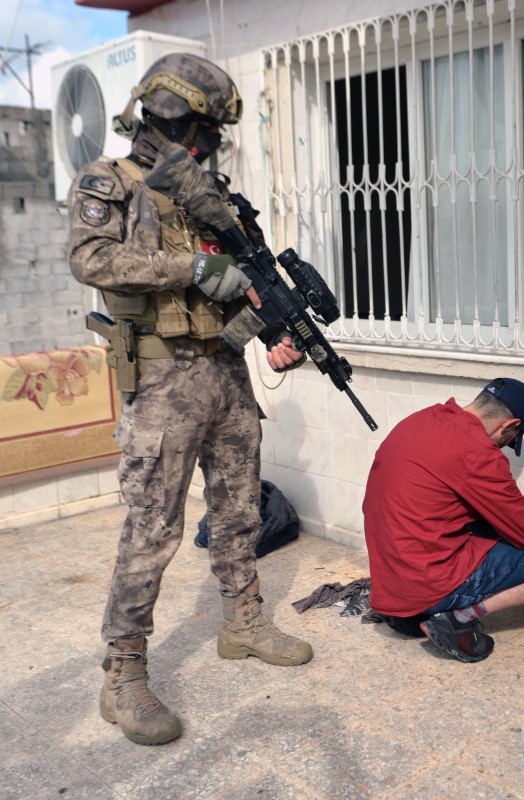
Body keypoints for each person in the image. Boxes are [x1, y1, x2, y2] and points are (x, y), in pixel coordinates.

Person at [67, 53, 312, 747]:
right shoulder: (108, 181)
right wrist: (193, 266)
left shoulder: (216, 198)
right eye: (206, 130)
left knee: (239, 510)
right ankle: (123, 671)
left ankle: (242, 621)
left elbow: (252, 285)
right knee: (152, 531)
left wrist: (271, 338)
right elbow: (92, 260)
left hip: (225, 372)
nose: (211, 145)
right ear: (178, 119)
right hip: (162, 383)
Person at [363, 378, 524, 663]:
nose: (502, 448)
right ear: (509, 426)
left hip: (391, 595)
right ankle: (459, 617)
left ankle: (451, 610)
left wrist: (520, 507)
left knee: (494, 528)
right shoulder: (477, 450)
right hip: (423, 600)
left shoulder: (421, 421)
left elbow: (445, 499)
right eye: (508, 442)